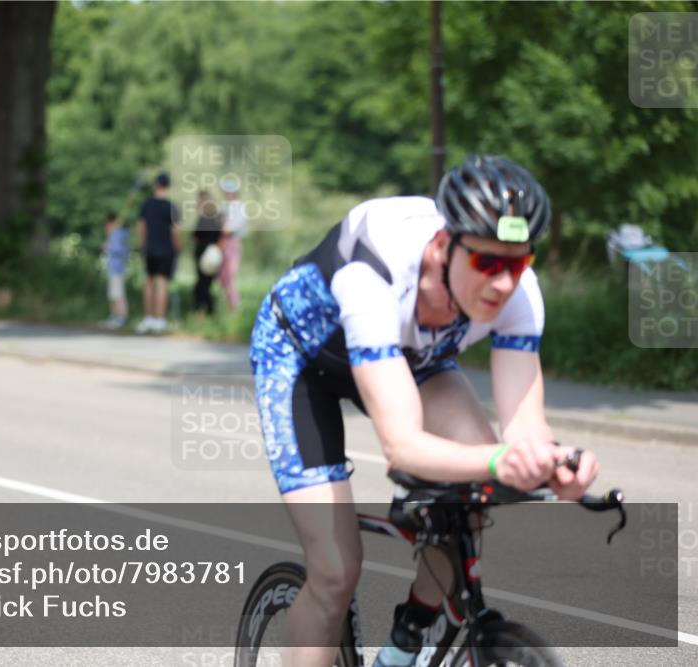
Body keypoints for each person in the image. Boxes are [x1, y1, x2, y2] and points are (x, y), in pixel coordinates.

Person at [247, 155, 601, 667]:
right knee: (335, 572)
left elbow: (525, 430)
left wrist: (556, 464)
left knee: (472, 491)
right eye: (487, 263)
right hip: (302, 361)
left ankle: (405, 642)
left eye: (518, 262)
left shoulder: (520, 292)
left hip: (412, 360)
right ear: (442, 244)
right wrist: (504, 461)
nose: (504, 283)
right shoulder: (376, 268)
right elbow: (402, 444)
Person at [136, 172, 181, 334]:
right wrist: (178, 248)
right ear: (168, 186)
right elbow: (175, 231)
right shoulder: (171, 206)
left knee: (148, 281)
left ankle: (148, 318)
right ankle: (159, 320)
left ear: (156, 184)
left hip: (150, 248)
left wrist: (143, 245)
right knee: (162, 282)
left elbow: (141, 227)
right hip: (166, 249)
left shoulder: (146, 204)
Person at [218, 175, 248, 312]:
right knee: (223, 278)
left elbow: (228, 229)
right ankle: (228, 308)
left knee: (230, 277)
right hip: (223, 244)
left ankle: (234, 309)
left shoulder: (239, 208)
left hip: (232, 243)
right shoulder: (225, 207)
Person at [192, 190, 224, 315]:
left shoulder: (204, 219)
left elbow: (195, 237)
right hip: (212, 254)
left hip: (204, 253)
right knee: (205, 284)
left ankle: (204, 311)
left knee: (202, 285)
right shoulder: (217, 218)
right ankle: (207, 311)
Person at [101, 211, 130, 329]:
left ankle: (121, 318)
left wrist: (108, 246)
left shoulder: (116, 235)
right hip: (113, 269)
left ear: (110, 224)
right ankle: (114, 317)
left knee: (118, 295)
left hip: (117, 270)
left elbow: (119, 251)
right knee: (112, 295)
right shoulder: (114, 235)